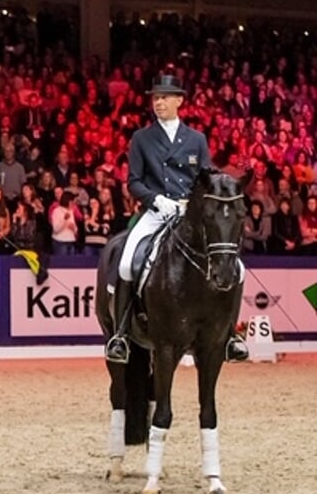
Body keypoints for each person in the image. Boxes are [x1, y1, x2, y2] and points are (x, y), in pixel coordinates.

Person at [106, 74, 248, 364]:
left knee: (239, 268)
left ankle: (230, 335)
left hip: (190, 213)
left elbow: (207, 178)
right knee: (126, 261)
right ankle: (120, 334)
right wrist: (157, 200)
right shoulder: (142, 138)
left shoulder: (196, 139)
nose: (158, 102)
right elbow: (134, 181)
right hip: (156, 211)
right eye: (155, 98)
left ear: (179, 101)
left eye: (164, 97)